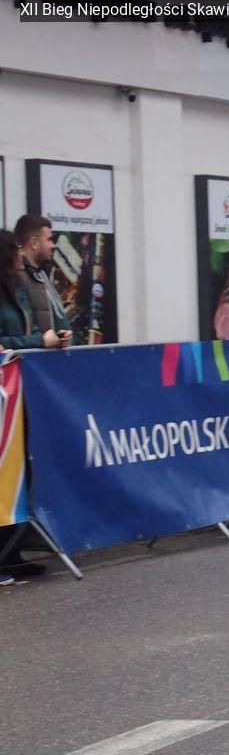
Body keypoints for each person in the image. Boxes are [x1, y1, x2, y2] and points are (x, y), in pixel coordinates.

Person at [0, 229, 61, 578]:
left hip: (18, 391)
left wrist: (49, 338)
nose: (20, 255)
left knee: (19, 471)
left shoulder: (17, 288)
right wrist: (39, 341)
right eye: (15, 250)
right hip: (4, 393)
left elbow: (24, 332)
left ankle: (12, 552)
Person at [14, 214, 73, 348]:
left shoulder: (42, 275)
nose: (53, 245)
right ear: (34, 243)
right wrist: (44, 341)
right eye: (49, 240)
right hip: (35, 359)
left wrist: (62, 336)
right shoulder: (17, 278)